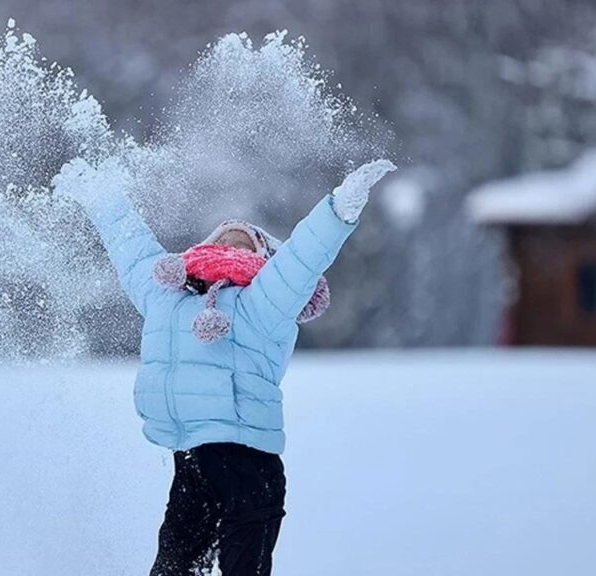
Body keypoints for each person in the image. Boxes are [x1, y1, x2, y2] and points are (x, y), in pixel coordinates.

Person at [52, 157, 396, 575]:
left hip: (250, 467)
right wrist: (101, 197)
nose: (231, 249)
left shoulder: (265, 302)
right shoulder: (168, 298)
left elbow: (302, 257)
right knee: (172, 569)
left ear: (265, 259)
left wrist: (340, 207)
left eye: (244, 244)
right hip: (192, 463)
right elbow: (132, 247)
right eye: (223, 241)